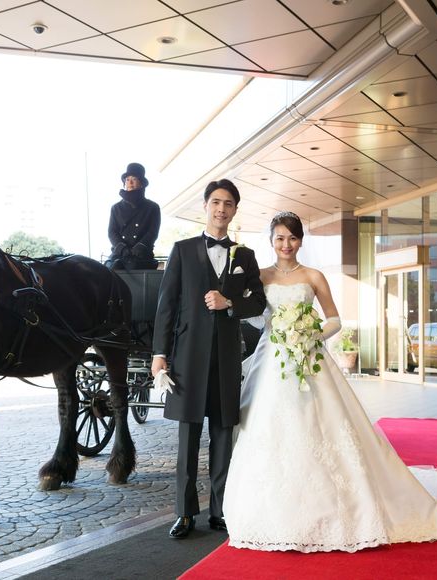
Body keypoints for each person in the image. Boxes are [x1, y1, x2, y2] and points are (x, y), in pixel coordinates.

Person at [223, 211, 437, 552]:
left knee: (321, 425)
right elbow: (250, 315)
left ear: (300, 241)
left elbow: (334, 320)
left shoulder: (313, 275)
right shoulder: (260, 276)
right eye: (280, 238)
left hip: (310, 359)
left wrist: (310, 335)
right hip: (272, 363)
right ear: (271, 240)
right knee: (267, 426)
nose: (286, 244)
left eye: (292, 238)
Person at [151, 179, 266, 539]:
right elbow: (167, 305)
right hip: (187, 356)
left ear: (235, 210)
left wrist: (230, 302)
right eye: (216, 202)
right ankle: (185, 513)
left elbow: (258, 301)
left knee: (222, 432)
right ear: (205, 206)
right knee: (188, 435)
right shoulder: (182, 250)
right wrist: (159, 354)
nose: (221, 209)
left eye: (228, 204)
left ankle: (221, 509)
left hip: (227, 356)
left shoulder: (244, 256)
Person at [105, 162, 161, 270]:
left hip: (142, 254)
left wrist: (140, 247)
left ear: (141, 183)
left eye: (134, 179)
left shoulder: (152, 207)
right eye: (127, 179)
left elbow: (152, 232)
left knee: (134, 267)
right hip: (119, 254)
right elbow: (112, 232)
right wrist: (122, 248)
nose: (130, 182)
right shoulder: (116, 208)